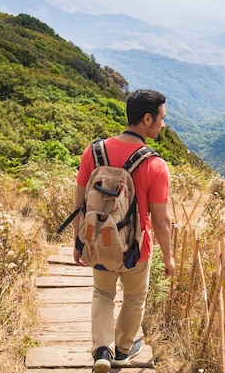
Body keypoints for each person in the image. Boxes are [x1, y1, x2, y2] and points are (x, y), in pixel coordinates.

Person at [73, 89, 175, 373]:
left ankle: (101, 350)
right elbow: (160, 220)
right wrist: (168, 256)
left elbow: (79, 204)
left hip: (98, 243)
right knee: (133, 298)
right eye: (161, 119)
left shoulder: (93, 152)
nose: (163, 125)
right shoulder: (155, 165)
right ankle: (122, 350)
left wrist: (78, 243)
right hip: (135, 250)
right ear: (146, 118)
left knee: (102, 294)